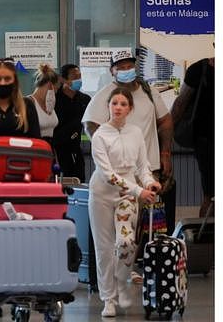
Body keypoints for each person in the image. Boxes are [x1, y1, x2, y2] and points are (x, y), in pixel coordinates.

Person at [82, 49, 174, 233]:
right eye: (121, 67)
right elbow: (90, 124)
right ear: (112, 71)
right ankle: (123, 259)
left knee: (147, 225)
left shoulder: (149, 92)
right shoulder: (105, 95)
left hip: (148, 170)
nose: (126, 70)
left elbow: (165, 121)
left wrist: (165, 153)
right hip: (119, 173)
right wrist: (107, 151)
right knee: (124, 228)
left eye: (130, 66)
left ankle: (140, 259)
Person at [88, 87, 160, 317]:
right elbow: (106, 174)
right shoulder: (99, 135)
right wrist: (139, 190)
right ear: (108, 106)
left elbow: (142, 166)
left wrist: (149, 182)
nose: (118, 107)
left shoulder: (136, 133)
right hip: (101, 194)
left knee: (127, 243)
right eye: (114, 103)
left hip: (127, 195)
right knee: (104, 249)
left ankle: (122, 281)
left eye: (123, 104)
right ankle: (108, 298)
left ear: (130, 108)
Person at [171, 57, 214, 217]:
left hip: (206, 140)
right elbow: (180, 105)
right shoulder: (199, 70)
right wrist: (166, 137)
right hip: (207, 142)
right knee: (211, 196)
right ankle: (208, 238)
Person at [53, 64, 91, 181]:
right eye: (74, 77)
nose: (78, 80)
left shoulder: (85, 100)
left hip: (76, 149)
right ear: (63, 79)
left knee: (79, 181)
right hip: (57, 151)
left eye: (79, 76)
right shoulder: (54, 99)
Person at [29, 63, 59, 145]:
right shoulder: (28, 103)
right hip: (35, 149)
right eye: (56, 88)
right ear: (50, 86)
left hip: (49, 149)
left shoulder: (50, 103)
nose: (56, 92)